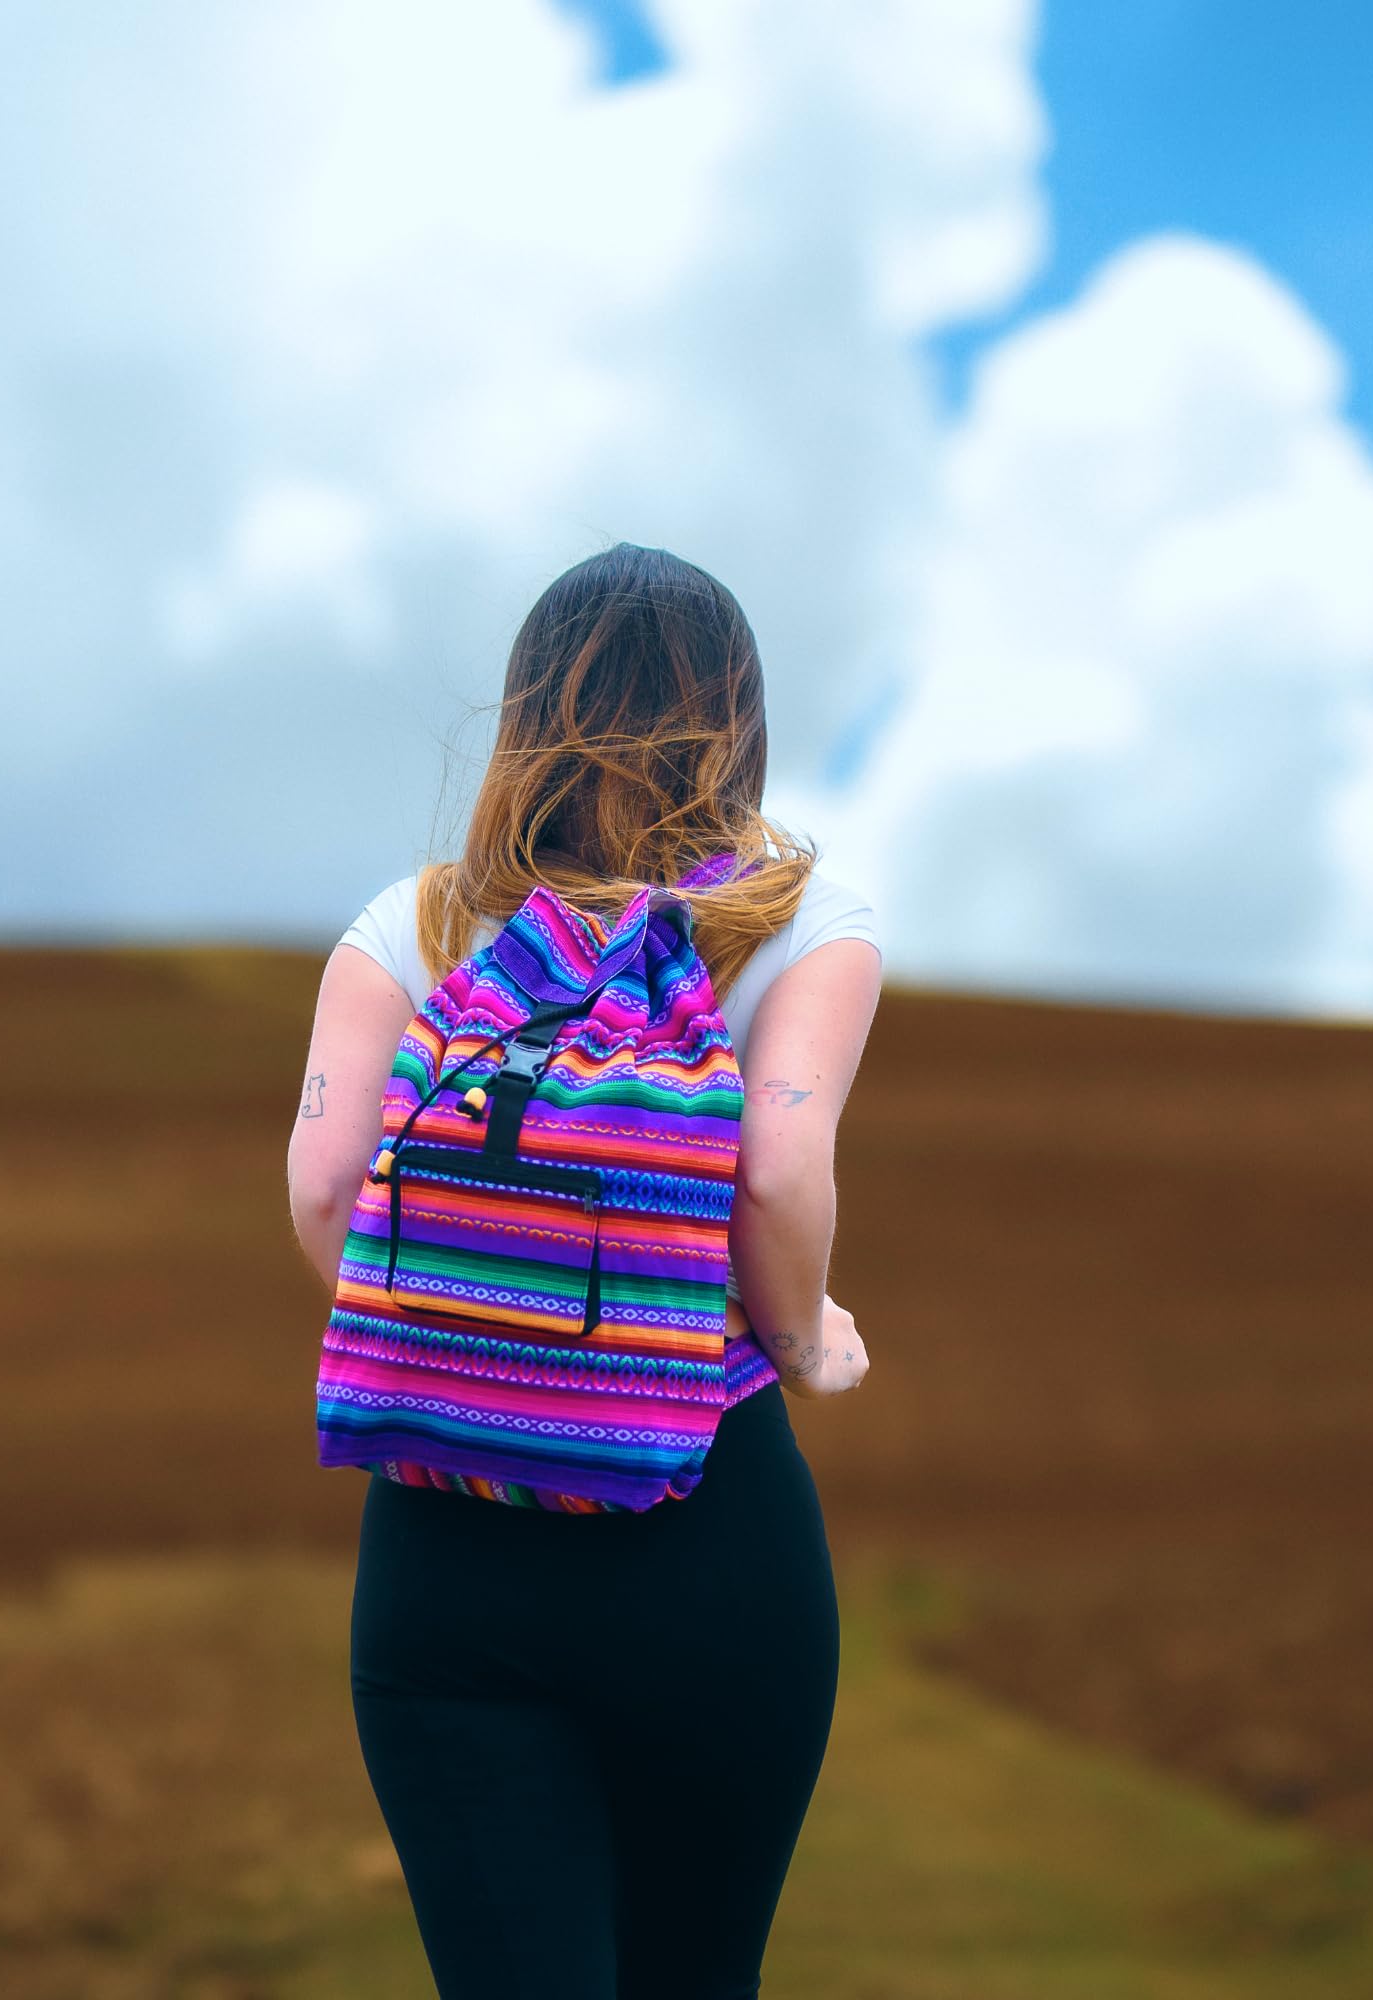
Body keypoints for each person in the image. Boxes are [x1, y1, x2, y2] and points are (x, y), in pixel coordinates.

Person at [285, 540, 884, 1999]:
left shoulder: (411, 925)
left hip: (449, 1548)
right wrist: (800, 1342)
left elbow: (321, 1187)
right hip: (708, 1529)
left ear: (525, 715)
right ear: (739, 718)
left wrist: (481, 1344)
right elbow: (776, 1172)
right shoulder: (797, 922)